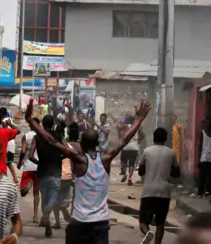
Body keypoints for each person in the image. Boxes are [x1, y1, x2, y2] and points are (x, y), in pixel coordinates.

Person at [24, 98, 152, 244]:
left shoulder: (79, 159)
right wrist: (139, 119)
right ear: (97, 143)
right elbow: (124, 139)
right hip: (101, 222)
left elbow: (51, 140)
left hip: (80, 222)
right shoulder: (106, 158)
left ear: (82, 144)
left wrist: (31, 120)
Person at [137, 127, 180, 244]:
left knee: (142, 222)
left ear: (154, 138)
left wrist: (147, 169)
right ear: (166, 139)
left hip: (148, 191)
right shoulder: (171, 153)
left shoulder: (147, 151)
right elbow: (177, 173)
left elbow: (141, 171)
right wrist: (167, 171)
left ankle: (147, 232)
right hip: (164, 192)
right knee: (160, 224)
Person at [28, 114, 64, 238]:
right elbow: (67, 149)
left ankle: (48, 227)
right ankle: (49, 208)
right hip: (56, 171)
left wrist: (39, 162)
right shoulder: (59, 136)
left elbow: (30, 155)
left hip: (42, 172)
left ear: (42, 124)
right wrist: (61, 157)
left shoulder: (37, 138)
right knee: (54, 194)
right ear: (53, 124)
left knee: (44, 197)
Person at [17, 117, 40, 223]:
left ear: (30, 125)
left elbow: (23, 151)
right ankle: (35, 216)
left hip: (28, 166)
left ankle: (28, 185)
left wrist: (19, 162)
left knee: (22, 192)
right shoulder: (41, 136)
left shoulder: (26, 136)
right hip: (38, 166)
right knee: (36, 193)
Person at [0, 107, 20, 181]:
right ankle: (15, 177)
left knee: (8, 162)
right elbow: (17, 130)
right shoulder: (9, 120)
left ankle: (15, 178)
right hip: (10, 140)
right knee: (9, 162)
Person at [119, 114, 146, 186]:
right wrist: (137, 140)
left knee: (123, 162)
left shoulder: (123, 127)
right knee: (132, 163)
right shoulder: (137, 127)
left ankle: (124, 174)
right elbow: (143, 135)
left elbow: (120, 135)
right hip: (134, 147)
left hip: (125, 146)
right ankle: (129, 178)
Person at [193, 116, 211, 197]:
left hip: (203, 158)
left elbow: (200, 147)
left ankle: (200, 192)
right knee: (209, 176)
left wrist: (198, 159)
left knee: (202, 177)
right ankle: (208, 191)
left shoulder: (202, 133)